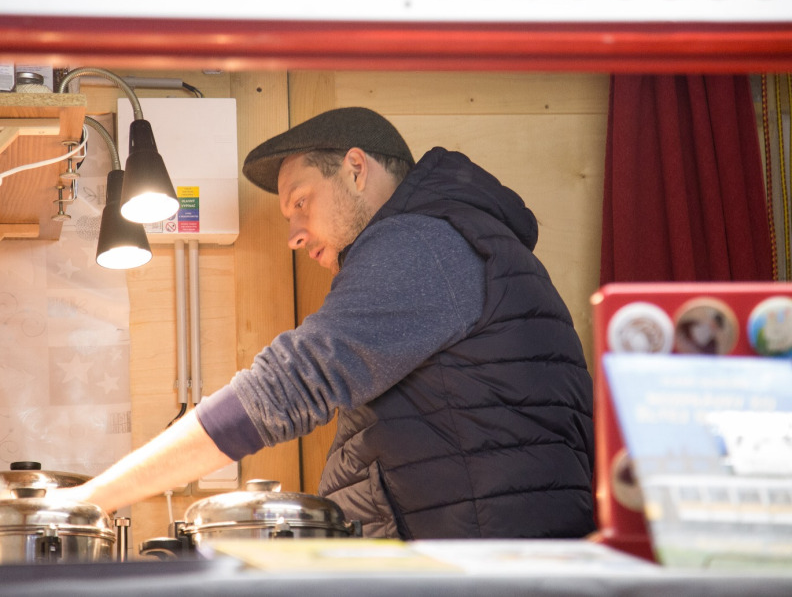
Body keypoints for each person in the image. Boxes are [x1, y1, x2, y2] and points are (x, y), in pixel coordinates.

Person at [54, 107, 595, 539]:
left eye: (301, 202)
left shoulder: (422, 244)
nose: (294, 235)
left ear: (356, 169)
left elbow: (285, 387)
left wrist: (88, 501)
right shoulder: (448, 239)